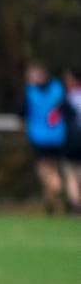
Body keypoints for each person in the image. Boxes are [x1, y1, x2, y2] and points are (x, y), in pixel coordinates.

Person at [20, 63, 68, 215]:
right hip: (59, 135)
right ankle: (50, 201)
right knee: (53, 166)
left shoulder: (30, 92)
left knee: (43, 168)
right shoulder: (59, 88)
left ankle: (56, 185)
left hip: (40, 136)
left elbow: (22, 114)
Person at [63, 68, 81, 213]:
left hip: (72, 139)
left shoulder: (67, 97)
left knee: (70, 172)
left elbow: (53, 119)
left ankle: (75, 205)